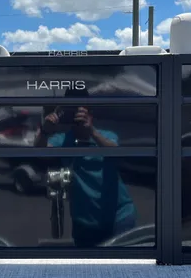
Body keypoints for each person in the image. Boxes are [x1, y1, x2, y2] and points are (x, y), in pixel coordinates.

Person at [34, 91, 137, 246]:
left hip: (119, 216)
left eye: (79, 111)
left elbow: (116, 151)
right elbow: (40, 151)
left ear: (90, 114)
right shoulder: (63, 140)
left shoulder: (105, 135)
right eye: (72, 111)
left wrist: (92, 132)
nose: (76, 116)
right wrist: (45, 131)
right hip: (85, 221)